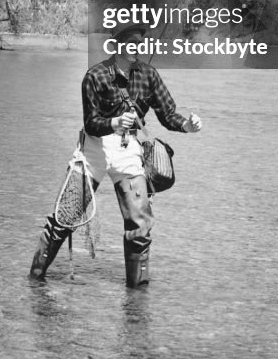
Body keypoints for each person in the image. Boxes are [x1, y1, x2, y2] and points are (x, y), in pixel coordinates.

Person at [29, 21, 202, 287]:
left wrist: (187, 126)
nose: (136, 48)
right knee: (64, 218)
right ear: (117, 45)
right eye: (130, 44)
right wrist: (113, 123)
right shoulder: (95, 76)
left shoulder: (149, 75)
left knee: (140, 224)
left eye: (139, 44)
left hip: (128, 153)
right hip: (93, 150)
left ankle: (137, 293)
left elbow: (167, 115)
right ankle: (35, 279)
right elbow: (90, 124)